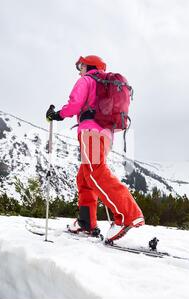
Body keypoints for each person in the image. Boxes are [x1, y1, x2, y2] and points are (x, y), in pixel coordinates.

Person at [46, 55, 145, 242]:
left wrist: (57, 114)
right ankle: (86, 223)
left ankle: (128, 215)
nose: (79, 70)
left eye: (81, 66)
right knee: (84, 176)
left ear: (89, 66)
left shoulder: (87, 80)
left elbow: (74, 105)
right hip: (106, 134)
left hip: (90, 132)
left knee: (94, 172)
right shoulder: (105, 85)